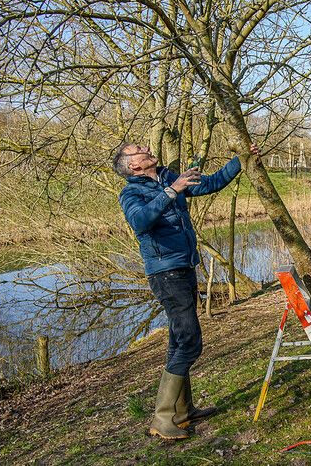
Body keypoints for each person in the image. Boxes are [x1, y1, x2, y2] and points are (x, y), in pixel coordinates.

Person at [112, 142, 259, 440]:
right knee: (190, 341)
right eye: (139, 149)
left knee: (178, 339)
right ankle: (162, 418)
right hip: (165, 273)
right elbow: (141, 222)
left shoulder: (168, 177)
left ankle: (182, 410)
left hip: (185, 267)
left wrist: (241, 159)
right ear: (133, 166)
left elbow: (213, 182)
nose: (147, 148)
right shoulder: (132, 193)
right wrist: (173, 190)